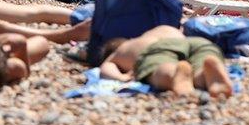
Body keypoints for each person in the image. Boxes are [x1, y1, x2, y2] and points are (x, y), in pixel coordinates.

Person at [97, 25, 234, 98]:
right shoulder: (156, 30)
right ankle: (204, 73)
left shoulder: (121, 50)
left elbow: (106, 67)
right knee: (202, 56)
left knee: (160, 64)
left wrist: (122, 77)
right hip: (190, 41)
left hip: (157, 49)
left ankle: (174, 74)